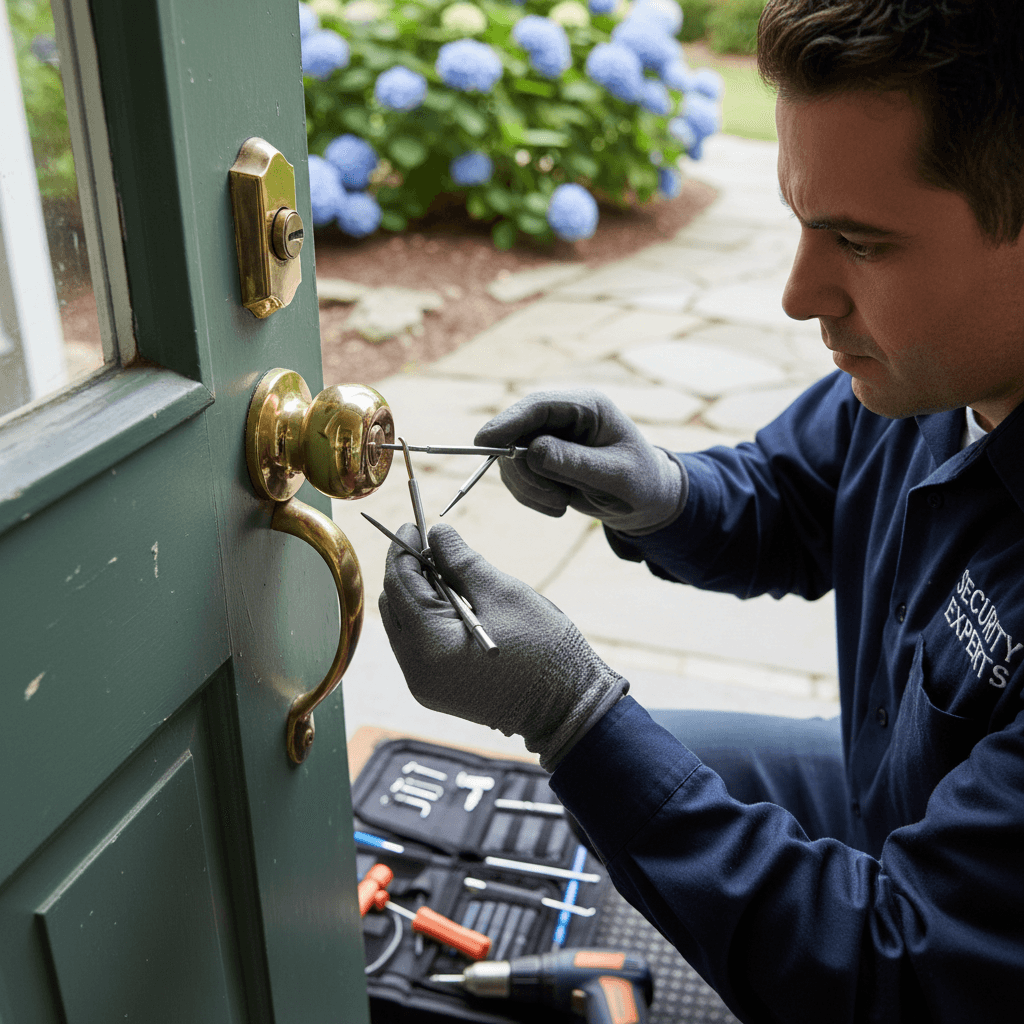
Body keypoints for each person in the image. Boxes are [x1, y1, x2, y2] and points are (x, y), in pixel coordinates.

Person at [379, 1, 1024, 1020]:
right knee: (606, 790)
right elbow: (792, 491)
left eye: (859, 243)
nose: (799, 293)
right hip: (884, 779)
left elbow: (900, 975)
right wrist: (665, 495)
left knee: (616, 766)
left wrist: (566, 709)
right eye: (801, 222)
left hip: (942, 941)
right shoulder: (936, 372)